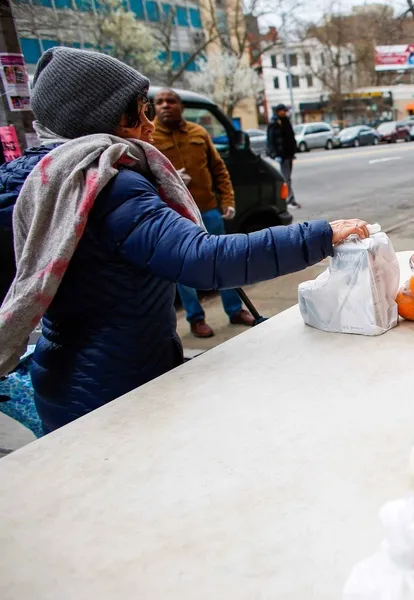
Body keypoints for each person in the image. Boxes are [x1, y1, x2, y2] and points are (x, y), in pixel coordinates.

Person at [0, 48, 369, 432]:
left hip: (64, 380)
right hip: (117, 392)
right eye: (136, 114)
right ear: (98, 117)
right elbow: (203, 260)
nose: (149, 126)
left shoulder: (32, 182)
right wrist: (320, 235)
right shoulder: (107, 187)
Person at [151, 89, 253, 338]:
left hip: (208, 210)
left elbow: (219, 169)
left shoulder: (198, 133)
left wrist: (227, 200)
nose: (165, 105)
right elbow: (138, 176)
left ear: (181, 106)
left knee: (222, 260)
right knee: (183, 268)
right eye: (159, 102)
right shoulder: (148, 136)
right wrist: (167, 180)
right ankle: (196, 318)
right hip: (173, 215)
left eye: (170, 101)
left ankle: (235, 309)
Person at [267, 104, 299, 208]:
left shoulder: (286, 121)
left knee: (288, 178)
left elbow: (290, 136)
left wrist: (293, 151)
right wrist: (275, 154)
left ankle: (288, 198)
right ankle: (289, 199)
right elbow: (271, 140)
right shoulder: (274, 122)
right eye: (283, 111)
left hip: (289, 154)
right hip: (282, 155)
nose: (284, 112)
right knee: (286, 178)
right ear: (278, 111)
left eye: (285, 111)